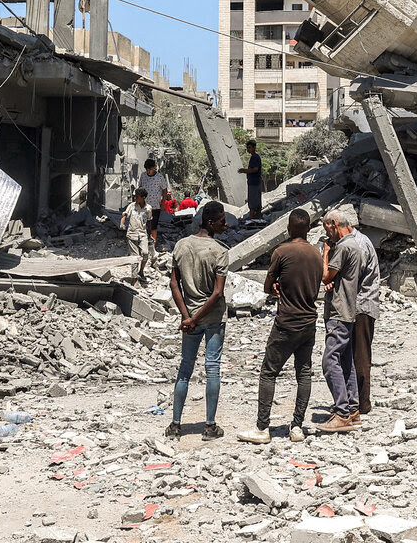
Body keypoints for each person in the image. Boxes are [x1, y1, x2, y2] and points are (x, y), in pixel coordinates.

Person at [237, 208, 323, 445]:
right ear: (307, 228)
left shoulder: (282, 252)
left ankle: (263, 428)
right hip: (309, 321)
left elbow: (267, 286)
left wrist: (277, 287)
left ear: (289, 228)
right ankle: (297, 426)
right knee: (303, 373)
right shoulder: (317, 254)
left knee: (269, 372)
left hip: (286, 322)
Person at [165, 200, 229, 440]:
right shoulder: (220, 252)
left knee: (185, 369)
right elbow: (217, 293)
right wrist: (195, 318)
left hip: (189, 317)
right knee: (212, 368)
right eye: (222, 221)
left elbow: (174, 282)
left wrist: (187, 317)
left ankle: (175, 425)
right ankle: (210, 426)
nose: (226, 225)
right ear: (211, 222)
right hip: (212, 318)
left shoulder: (182, 246)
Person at [318, 208, 363, 432]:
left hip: (338, 309)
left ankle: (341, 411)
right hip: (349, 309)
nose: (329, 235)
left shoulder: (343, 247)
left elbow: (326, 275)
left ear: (334, 224)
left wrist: (325, 253)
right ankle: (353, 408)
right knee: (346, 361)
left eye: (328, 229)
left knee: (330, 361)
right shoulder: (356, 245)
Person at [353, 229, 381, 415]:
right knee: (359, 355)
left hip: (361, 307)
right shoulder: (361, 242)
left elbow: (352, 278)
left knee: (361, 356)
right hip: (363, 306)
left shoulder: (358, 246)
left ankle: (362, 403)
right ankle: (358, 401)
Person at [137, 158, 171, 259]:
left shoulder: (160, 177)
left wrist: (163, 203)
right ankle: (143, 245)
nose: (148, 171)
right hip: (144, 206)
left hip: (155, 207)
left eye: (150, 169)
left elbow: (164, 191)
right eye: (147, 169)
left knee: (153, 227)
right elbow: (140, 188)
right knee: (143, 225)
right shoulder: (143, 176)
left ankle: (152, 246)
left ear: (154, 168)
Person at [120, 187, 150, 282]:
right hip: (132, 234)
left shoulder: (148, 208)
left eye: (137, 197)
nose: (135, 198)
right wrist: (122, 223)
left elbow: (149, 221)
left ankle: (141, 271)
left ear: (143, 197)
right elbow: (125, 215)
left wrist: (151, 234)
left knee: (145, 253)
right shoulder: (132, 206)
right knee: (135, 256)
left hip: (143, 234)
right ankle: (134, 279)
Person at [238, 140, 264, 217]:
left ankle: (251, 217)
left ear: (254, 148)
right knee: (257, 199)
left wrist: (244, 171)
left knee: (252, 200)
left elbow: (255, 169)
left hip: (254, 182)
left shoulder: (255, 157)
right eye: (247, 148)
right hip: (256, 182)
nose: (248, 149)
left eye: (249, 147)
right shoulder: (255, 157)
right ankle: (258, 216)